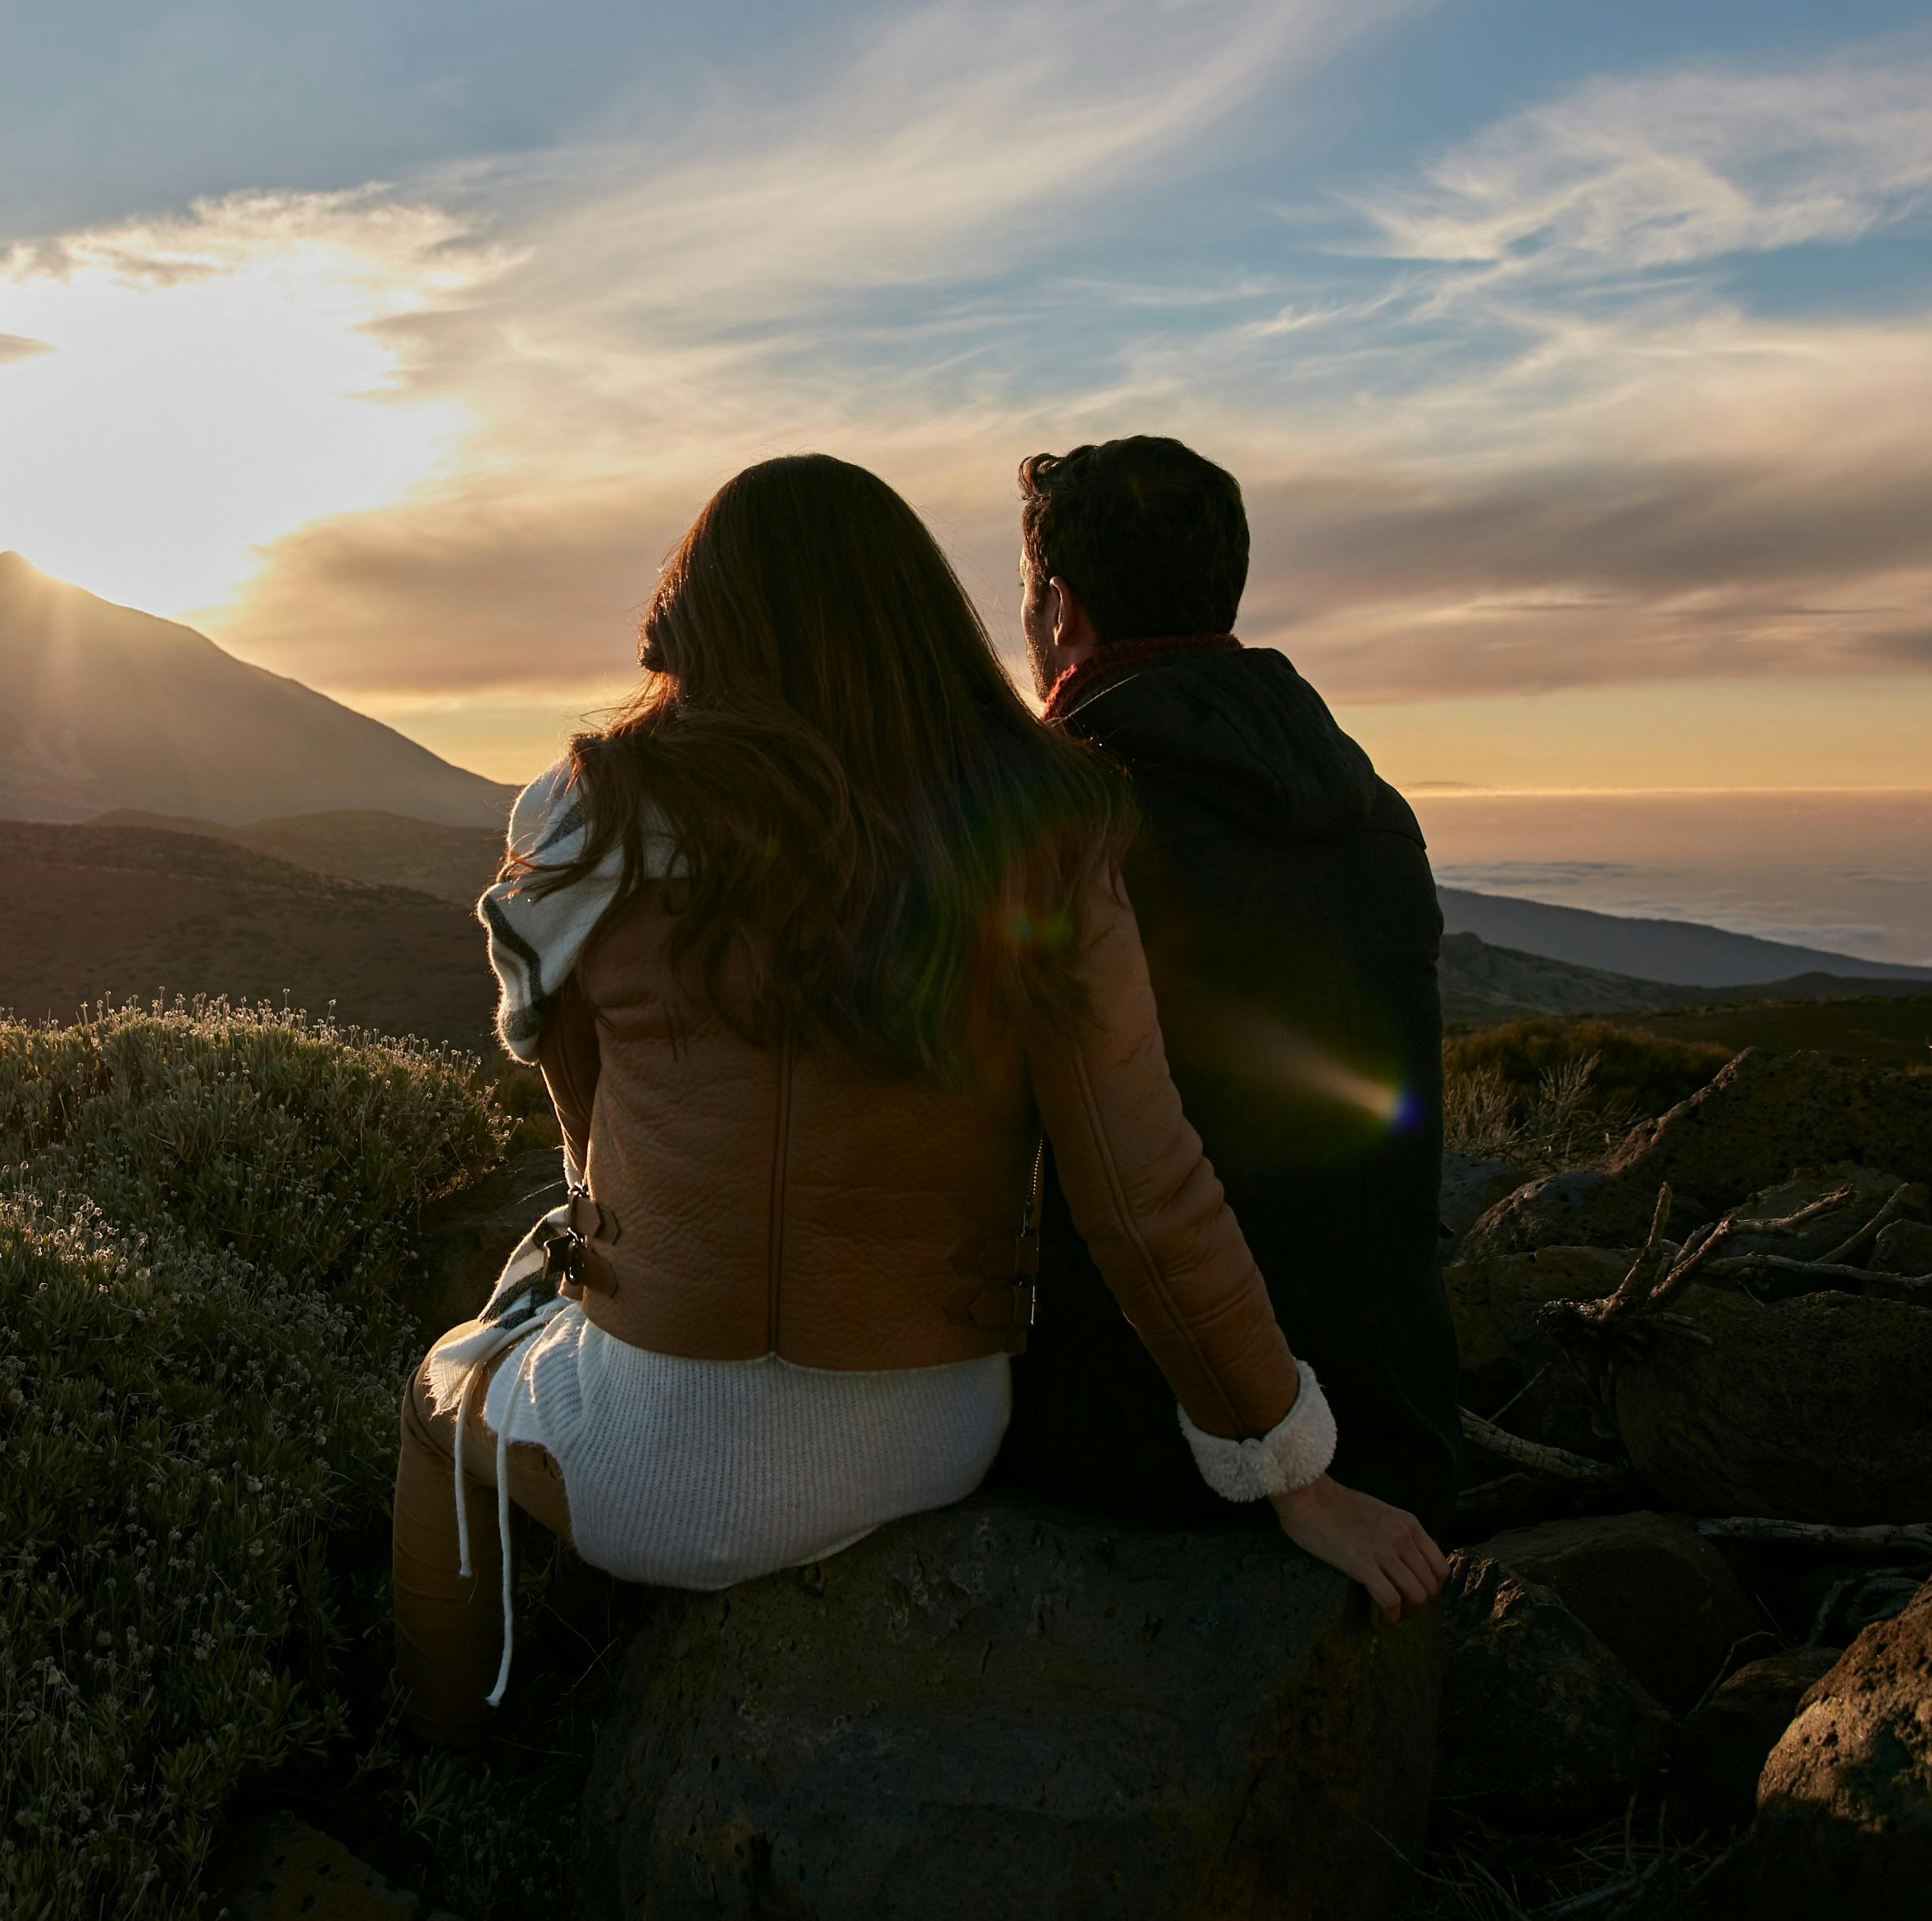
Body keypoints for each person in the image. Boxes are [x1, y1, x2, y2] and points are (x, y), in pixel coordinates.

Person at [394, 453, 1446, 1744]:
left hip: (645, 1463)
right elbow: (1142, 1188)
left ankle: (450, 1755)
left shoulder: (585, 816)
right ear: (924, 615)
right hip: (929, 1437)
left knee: (440, 1394)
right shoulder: (1043, 823)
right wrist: (1291, 1471)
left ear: (698, 613)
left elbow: (583, 1126)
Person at [994, 435, 1462, 1532]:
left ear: (1059, 610)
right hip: (1393, 1424)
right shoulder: (1367, 808)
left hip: (1151, 1446)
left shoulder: (1062, 824)